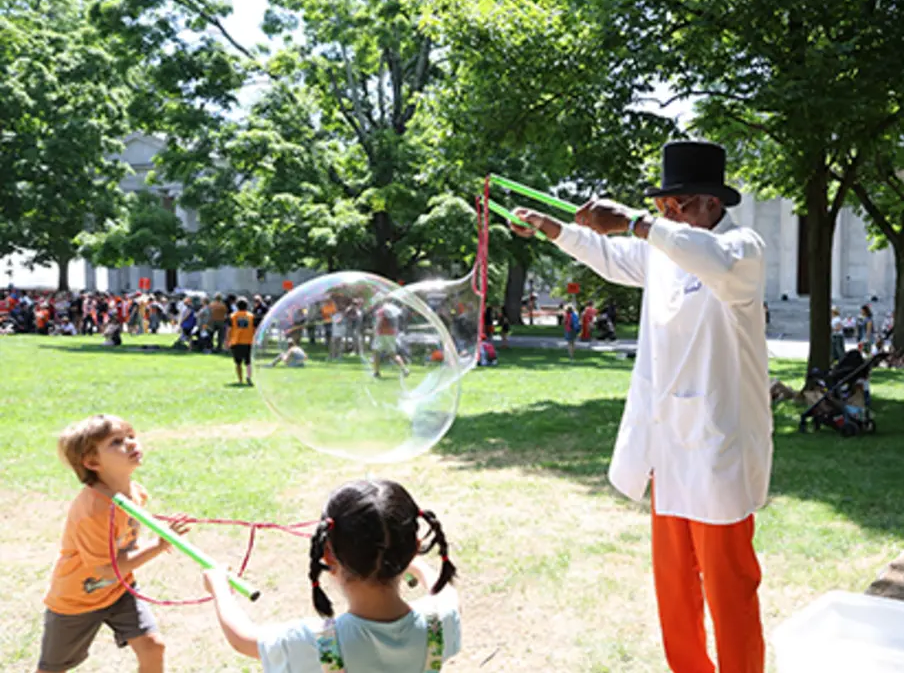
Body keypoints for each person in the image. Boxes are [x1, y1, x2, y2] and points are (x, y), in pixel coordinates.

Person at [509, 140, 771, 672]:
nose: (667, 213)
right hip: (669, 449)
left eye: (679, 204)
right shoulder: (663, 252)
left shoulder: (741, 249)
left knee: (730, 591)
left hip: (718, 448)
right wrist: (550, 226)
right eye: (662, 205)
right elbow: (605, 254)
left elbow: (707, 259)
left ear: (712, 204)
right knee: (674, 590)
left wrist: (635, 222)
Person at [202, 479, 461, 671]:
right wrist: (417, 565)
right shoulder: (439, 624)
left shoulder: (317, 641)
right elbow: (448, 596)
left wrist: (220, 589)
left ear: (328, 555)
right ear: (413, 548)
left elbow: (243, 639)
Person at [38, 415, 188, 673]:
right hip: (76, 601)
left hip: (119, 591)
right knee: (53, 669)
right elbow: (105, 570)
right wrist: (158, 545)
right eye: (117, 442)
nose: (131, 443)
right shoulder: (92, 511)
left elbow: (125, 541)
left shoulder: (135, 492)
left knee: (153, 647)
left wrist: (158, 535)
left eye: (131, 436)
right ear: (92, 462)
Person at [371, 302, 410, 378]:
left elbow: (379, 322)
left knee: (376, 353)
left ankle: (376, 372)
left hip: (381, 334)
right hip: (391, 334)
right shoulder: (393, 313)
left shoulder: (381, 311)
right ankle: (404, 369)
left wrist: (375, 330)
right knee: (393, 354)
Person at [227, 298, 256, 386]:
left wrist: (227, 340)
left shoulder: (232, 316)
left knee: (238, 363)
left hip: (236, 341)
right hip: (249, 341)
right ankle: (249, 376)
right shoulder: (251, 316)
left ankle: (240, 379)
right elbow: (254, 329)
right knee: (248, 362)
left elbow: (229, 329)